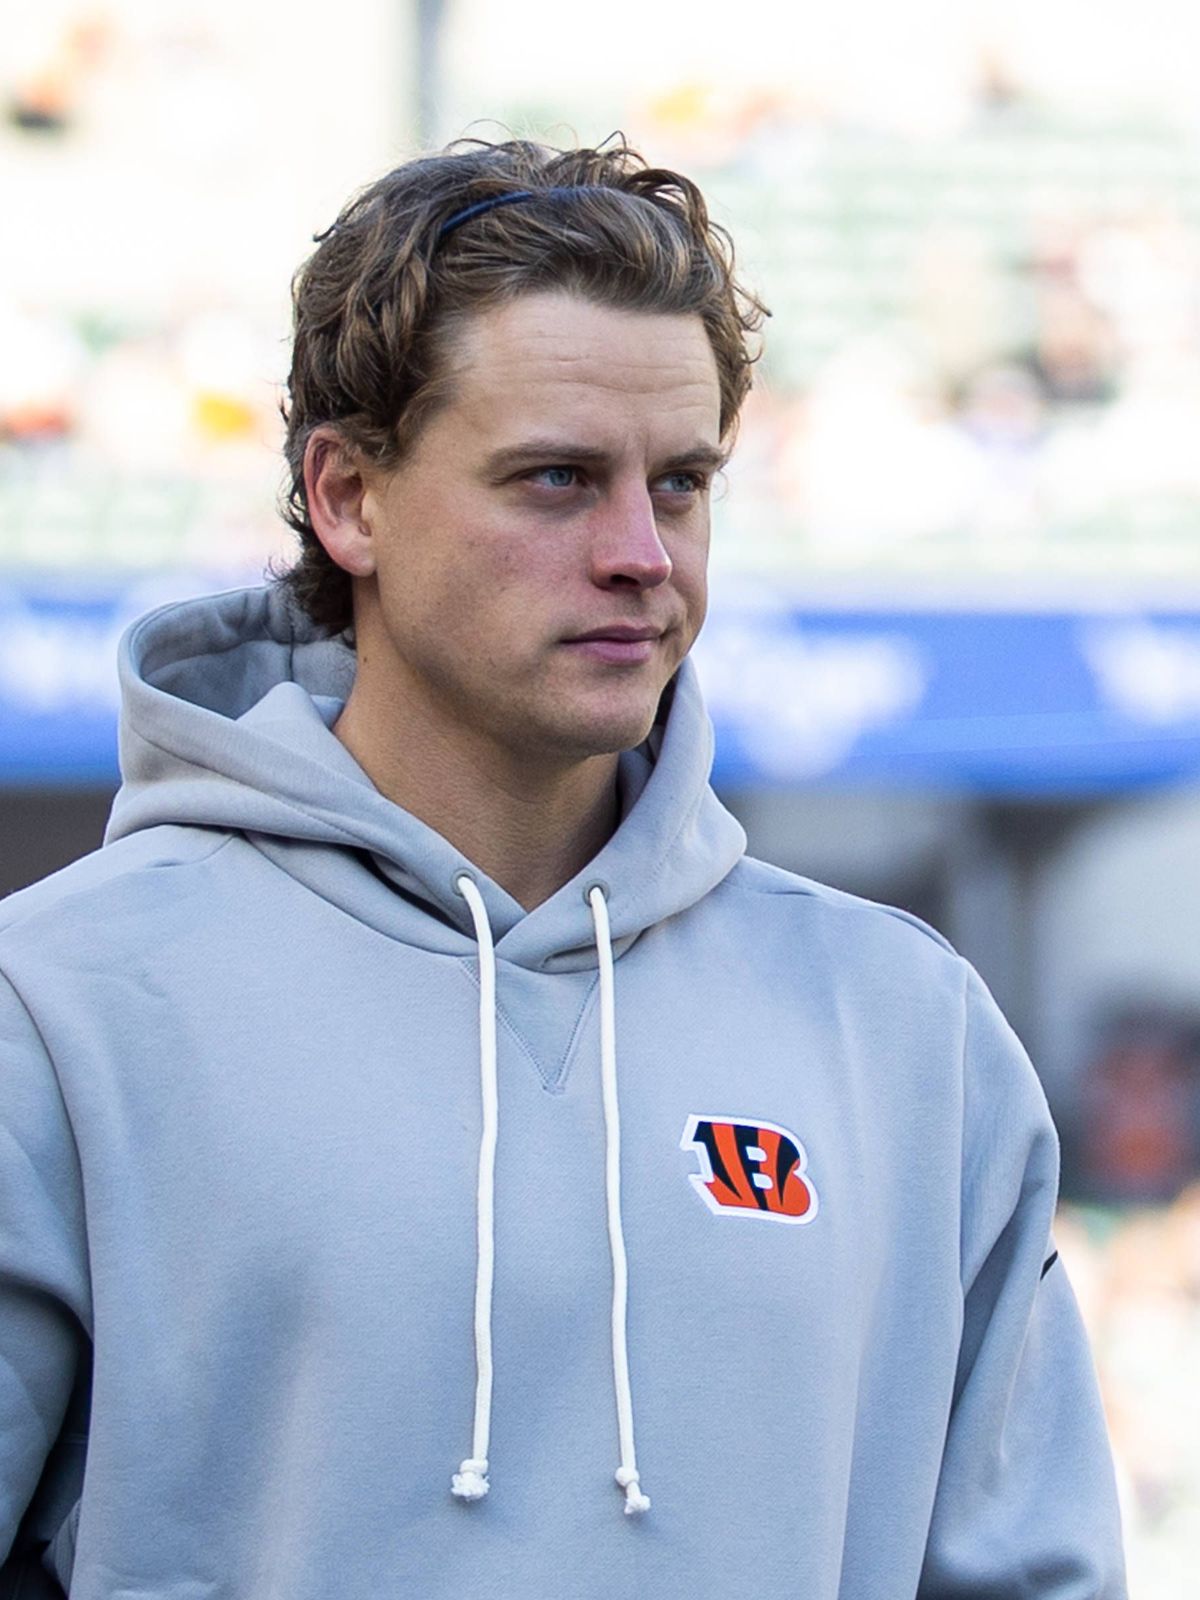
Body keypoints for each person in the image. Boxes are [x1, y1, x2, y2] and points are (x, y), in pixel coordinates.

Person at [0, 137, 1126, 1598]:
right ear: (348, 498)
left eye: (681, 485)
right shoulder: (60, 1004)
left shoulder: (908, 1029)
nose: (640, 553)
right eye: (556, 480)